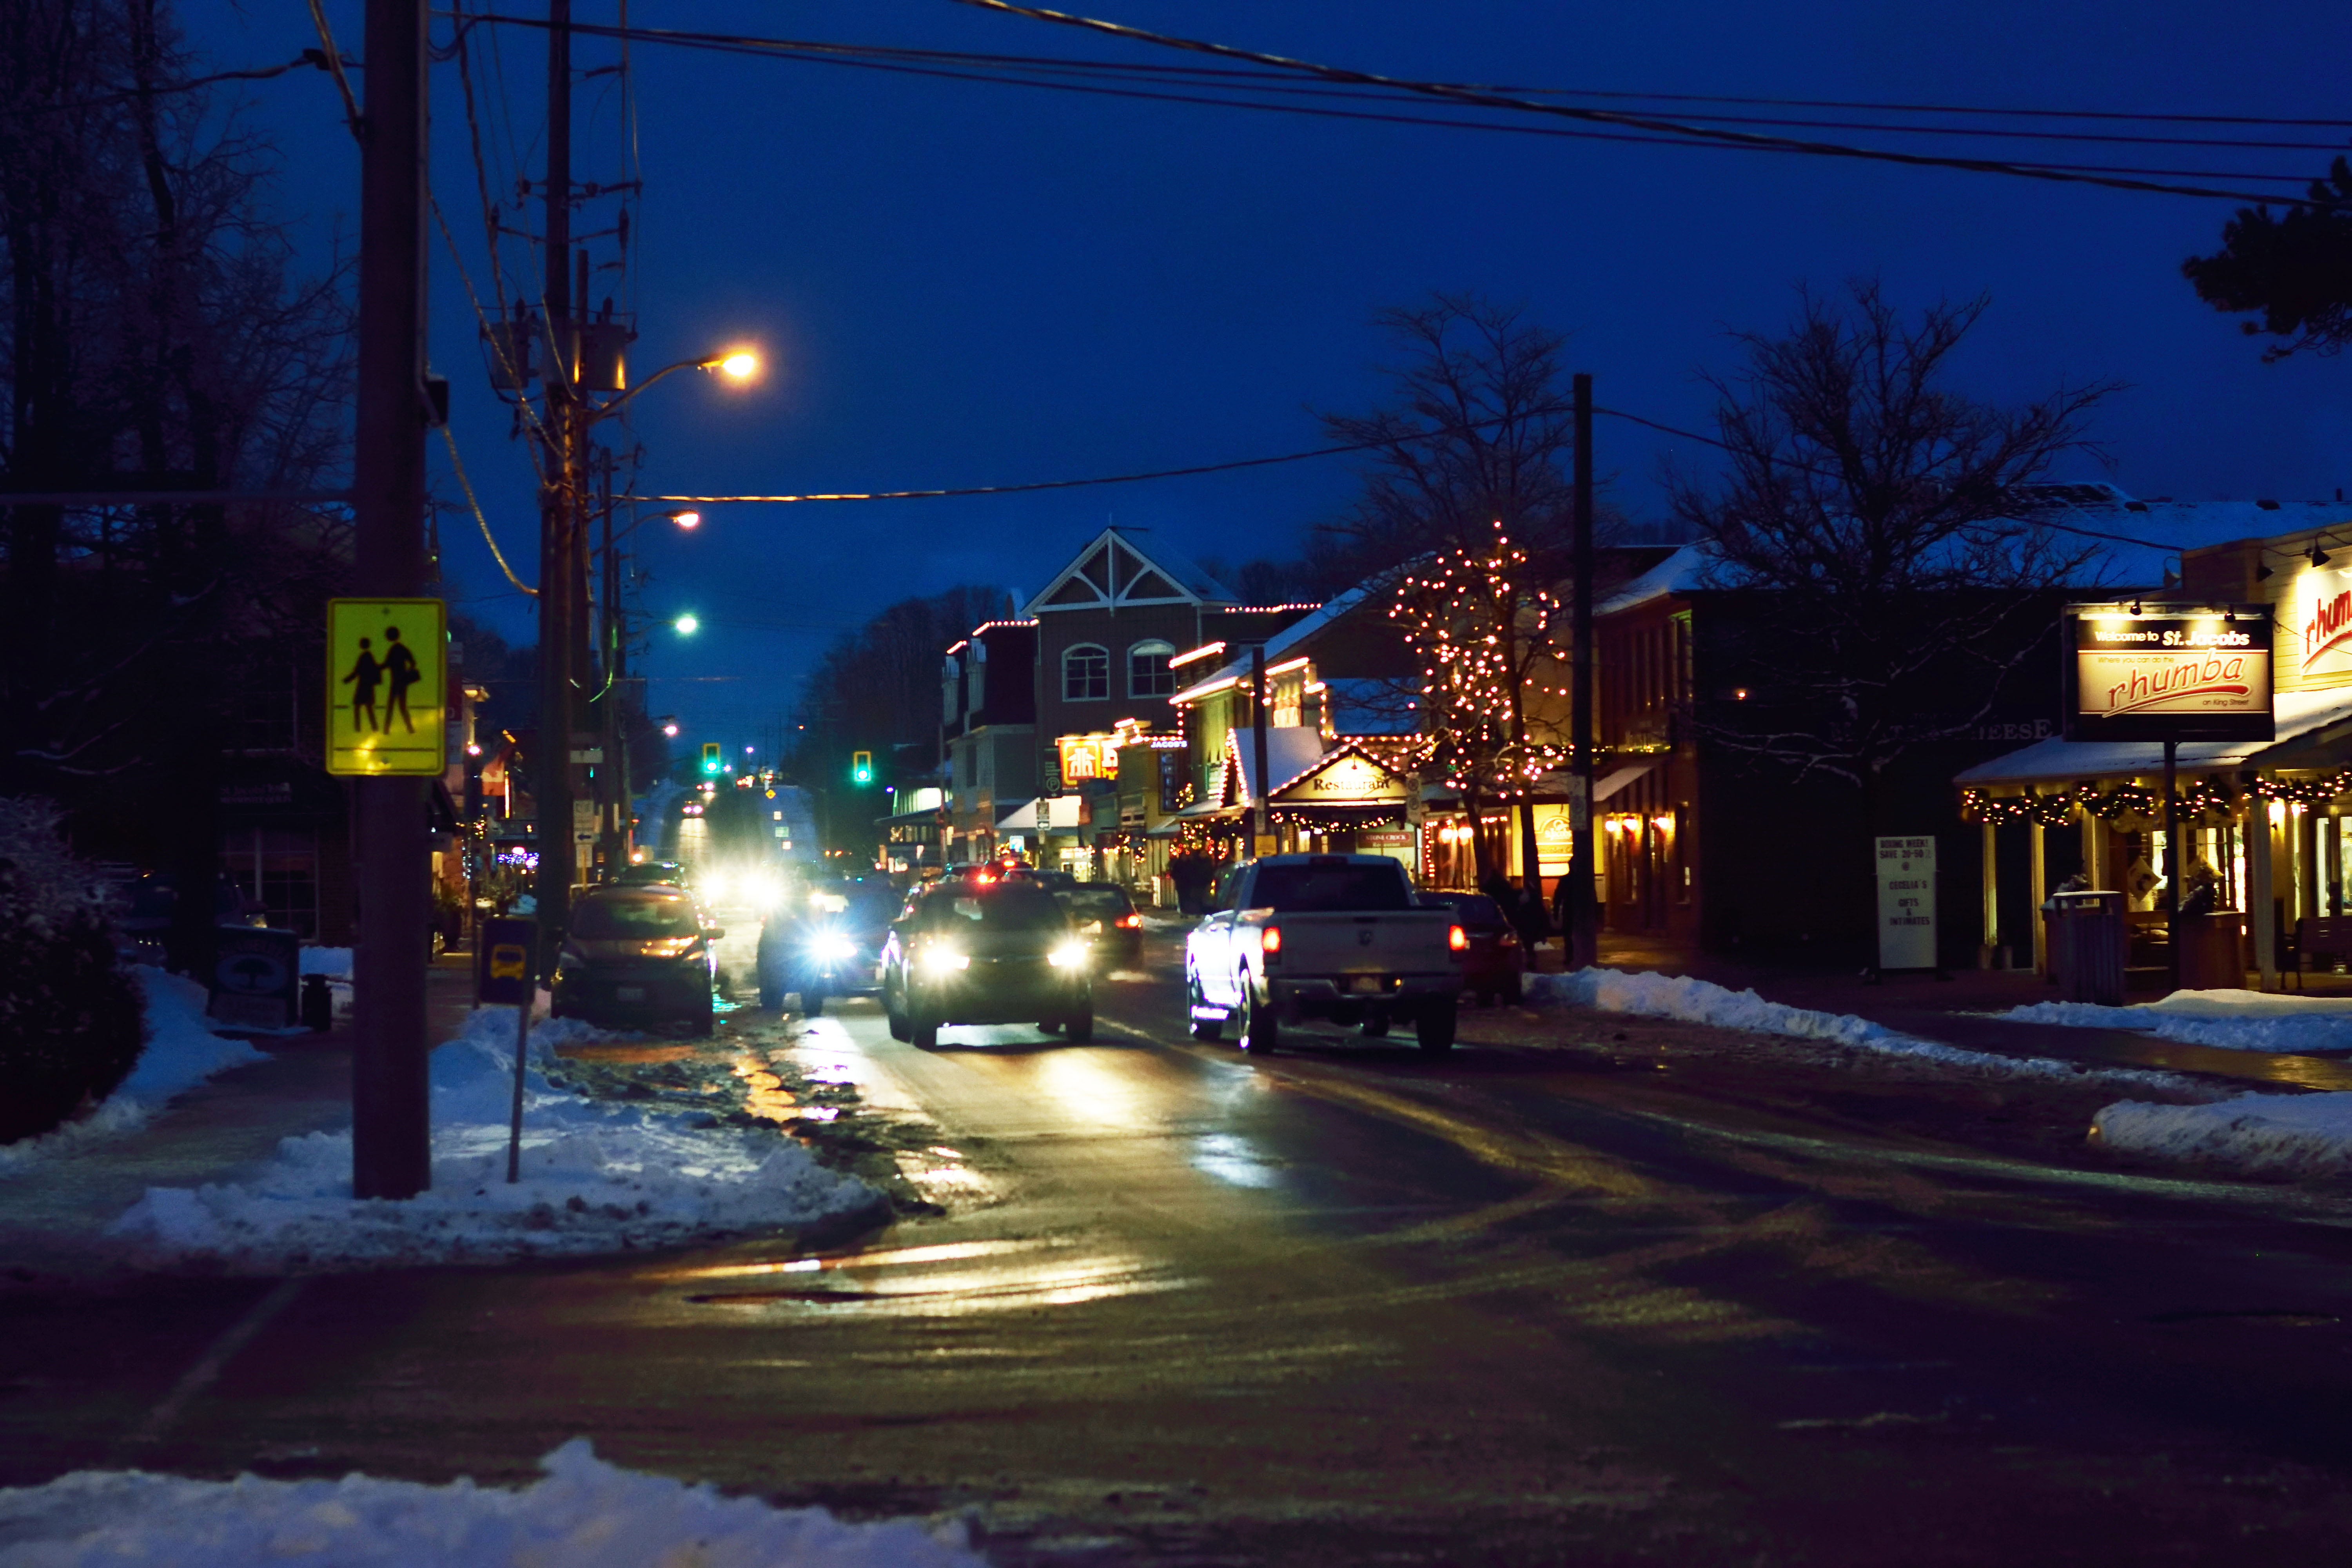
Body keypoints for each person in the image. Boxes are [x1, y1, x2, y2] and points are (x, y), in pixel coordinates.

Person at [379, 625, 421, 734]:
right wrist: (407, 673)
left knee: (392, 706)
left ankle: (387, 729)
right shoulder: (402, 649)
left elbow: (386, 664)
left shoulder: (394, 650)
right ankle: (409, 728)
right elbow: (413, 662)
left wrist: (376, 668)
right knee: (401, 706)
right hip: (402, 682)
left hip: (397, 682)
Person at [341, 638, 381, 731]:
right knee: (368, 708)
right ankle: (374, 728)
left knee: (359, 708)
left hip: (363, 686)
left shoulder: (364, 657)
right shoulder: (369, 656)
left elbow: (357, 671)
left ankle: (358, 728)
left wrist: (347, 680)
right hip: (368, 686)